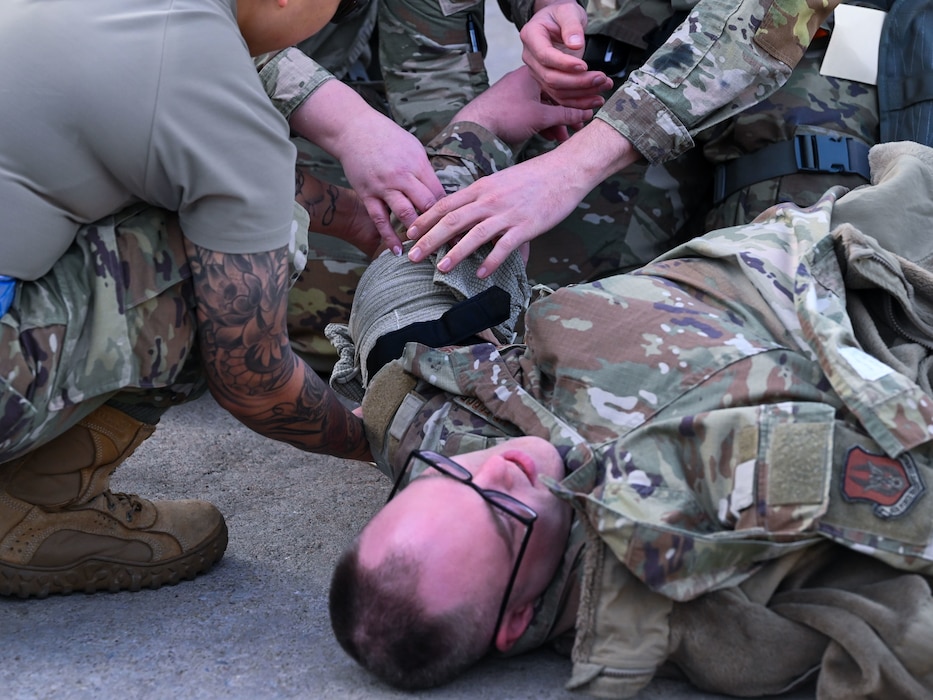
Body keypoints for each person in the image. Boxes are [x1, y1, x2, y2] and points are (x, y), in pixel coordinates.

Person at [328, 132, 933, 696]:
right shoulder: (703, 595)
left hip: (769, 238)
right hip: (875, 277)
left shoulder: (430, 430)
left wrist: (484, 130)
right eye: (504, 512)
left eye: (444, 475)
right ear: (514, 623)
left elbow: (401, 291)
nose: (498, 464)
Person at [0, 0, 453, 598]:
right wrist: (377, 438)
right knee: (230, 258)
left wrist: (356, 219)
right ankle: (34, 513)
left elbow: (184, 143)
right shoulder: (202, 74)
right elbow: (252, 379)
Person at [403, 0, 886, 281]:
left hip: (809, 40)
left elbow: (763, 19)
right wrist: (548, 5)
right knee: (544, 304)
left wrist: (569, 168)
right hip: (642, 28)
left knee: (790, 284)